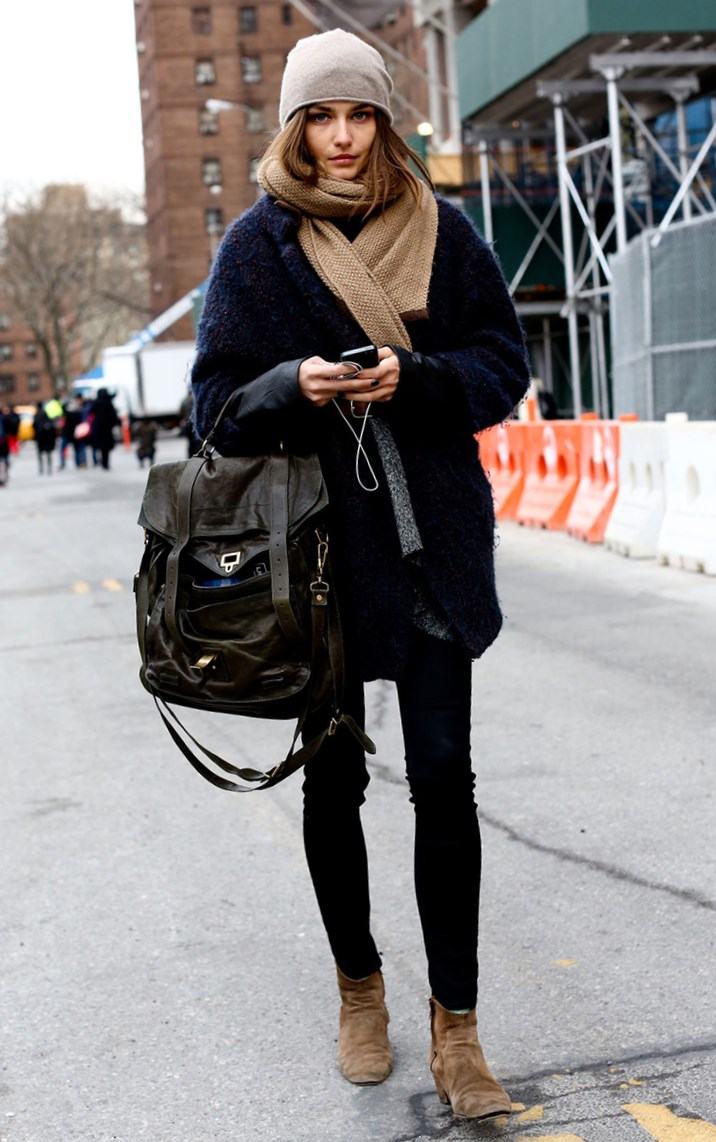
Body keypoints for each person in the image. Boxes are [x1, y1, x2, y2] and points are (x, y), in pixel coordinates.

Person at [191, 29, 530, 1121]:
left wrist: (414, 379)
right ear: (296, 128)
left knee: (445, 775)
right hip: (318, 562)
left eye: (359, 115)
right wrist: (289, 383)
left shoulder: (443, 227)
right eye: (321, 118)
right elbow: (211, 409)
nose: (341, 138)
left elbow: (503, 365)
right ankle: (359, 992)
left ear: (384, 120)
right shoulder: (258, 246)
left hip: (430, 548)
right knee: (331, 781)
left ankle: (458, 1028)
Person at [90, 388, 120, 470]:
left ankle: (103, 462)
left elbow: (92, 411)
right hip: (107, 429)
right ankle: (105, 463)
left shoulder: (97, 402)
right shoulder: (108, 402)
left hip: (100, 429)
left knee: (101, 447)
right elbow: (113, 415)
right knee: (106, 448)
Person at [33, 402, 57, 475]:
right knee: (48, 453)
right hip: (47, 437)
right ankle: (49, 468)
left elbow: (34, 426)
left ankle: (41, 468)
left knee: (40, 454)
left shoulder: (36, 415)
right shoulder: (47, 414)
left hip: (40, 437)